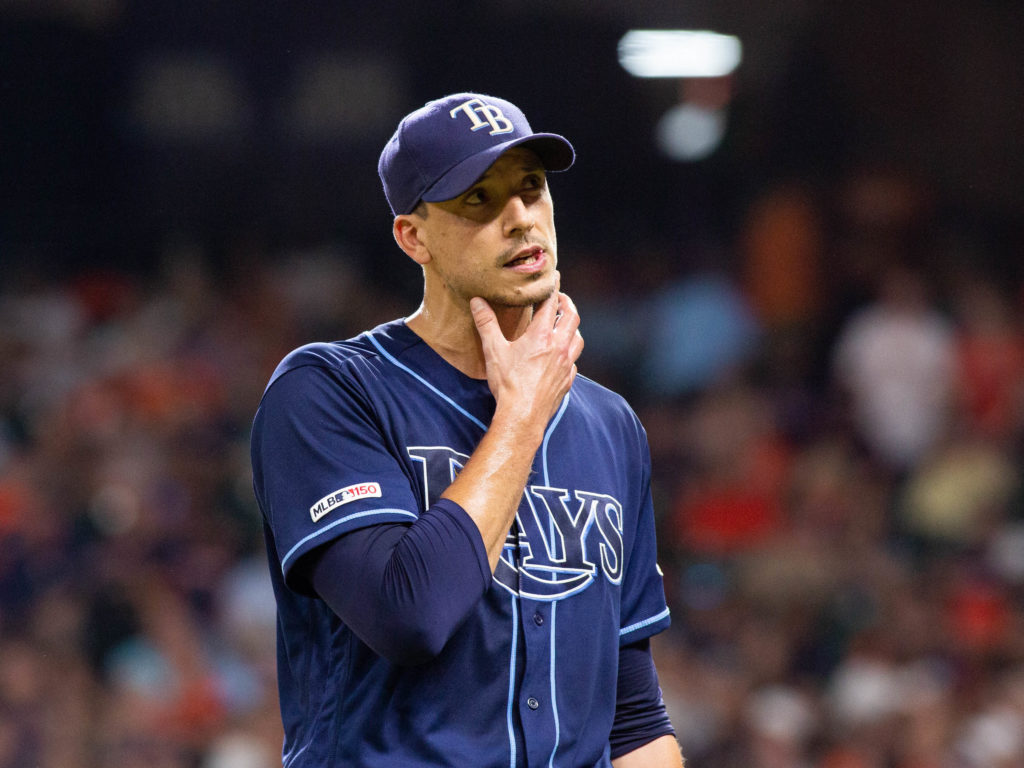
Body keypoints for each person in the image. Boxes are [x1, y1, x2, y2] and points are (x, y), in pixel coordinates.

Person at [251, 92, 684, 767]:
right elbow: (408, 615)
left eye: (531, 189)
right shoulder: (331, 390)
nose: (519, 219)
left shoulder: (609, 424)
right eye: (478, 199)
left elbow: (632, 715)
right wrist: (520, 416)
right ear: (412, 236)